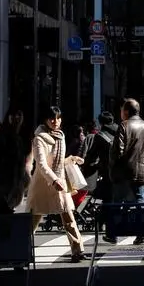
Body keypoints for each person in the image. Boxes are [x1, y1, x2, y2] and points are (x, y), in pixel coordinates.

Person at [26, 106, 85, 263]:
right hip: (43, 185)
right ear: (45, 120)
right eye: (52, 118)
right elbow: (42, 165)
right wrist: (54, 180)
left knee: (68, 217)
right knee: (32, 222)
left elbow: (57, 162)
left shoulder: (61, 136)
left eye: (58, 118)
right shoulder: (39, 138)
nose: (56, 121)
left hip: (59, 182)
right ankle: (21, 252)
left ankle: (77, 250)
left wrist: (71, 159)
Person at [107, 99, 144, 246]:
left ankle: (113, 234)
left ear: (126, 111)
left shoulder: (124, 126)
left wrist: (113, 168)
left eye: (122, 110)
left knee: (117, 203)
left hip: (125, 172)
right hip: (143, 171)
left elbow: (117, 152)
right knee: (141, 203)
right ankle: (141, 235)